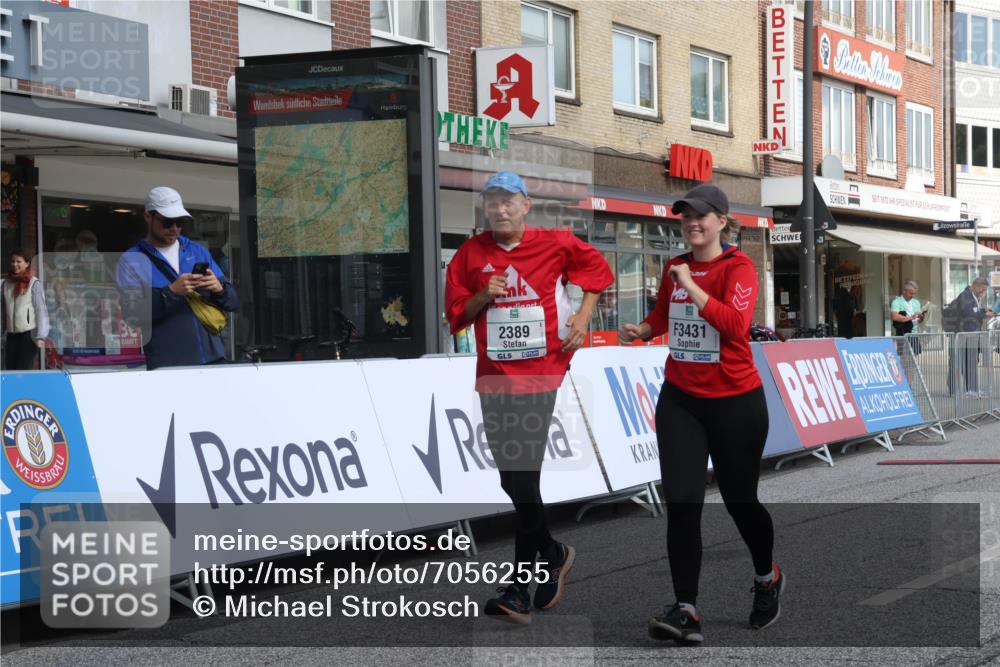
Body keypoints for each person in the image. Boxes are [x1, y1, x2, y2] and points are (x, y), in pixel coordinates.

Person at [445, 171, 612, 624]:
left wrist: (583, 316)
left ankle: (519, 587)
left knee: (524, 478)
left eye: (508, 201)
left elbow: (598, 273)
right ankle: (553, 553)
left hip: (542, 372)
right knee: (512, 481)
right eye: (492, 202)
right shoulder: (470, 254)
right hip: (494, 376)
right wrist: (483, 295)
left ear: (525, 205)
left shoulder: (555, 243)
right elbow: (456, 316)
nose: (499, 209)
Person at [619, 184, 781, 643]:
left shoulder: (739, 267)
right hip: (682, 400)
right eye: (686, 216)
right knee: (682, 502)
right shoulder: (675, 265)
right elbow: (664, 315)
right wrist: (643, 330)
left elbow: (735, 326)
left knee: (740, 500)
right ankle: (686, 609)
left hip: (736, 401)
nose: (692, 223)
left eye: (701, 216)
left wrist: (691, 285)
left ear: (721, 221)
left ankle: (767, 576)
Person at [117, 187, 239, 369]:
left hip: (213, 357)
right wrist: (171, 292)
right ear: (148, 217)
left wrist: (220, 290)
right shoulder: (131, 260)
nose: (174, 228)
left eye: (179, 222)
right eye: (167, 222)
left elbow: (233, 303)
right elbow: (132, 315)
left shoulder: (197, 251)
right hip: (169, 362)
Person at [946, 277, 995, 398]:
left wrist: (983, 310)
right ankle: (953, 390)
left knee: (971, 362)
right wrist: (984, 314)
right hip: (961, 334)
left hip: (971, 335)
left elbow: (974, 311)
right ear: (976, 286)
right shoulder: (965, 296)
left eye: (984, 290)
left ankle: (972, 389)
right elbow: (968, 313)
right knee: (957, 362)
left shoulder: (974, 296)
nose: (983, 292)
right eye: (982, 289)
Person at [1, 249, 50, 370]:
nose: (15, 264)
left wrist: (41, 336)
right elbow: (2, 312)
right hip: (12, 334)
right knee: (10, 368)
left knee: (23, 369)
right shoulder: (6, 284)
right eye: (13, 261)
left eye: (19, 261)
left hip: (29, 335)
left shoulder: (34, 283)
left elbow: (41, 310)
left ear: (27, 263)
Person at [890, 279, 925, 354]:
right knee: (900, 355)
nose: (913, 296)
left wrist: (921, 318)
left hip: (914, 334)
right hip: (901, 334)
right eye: (911, 293)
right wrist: (910, 318)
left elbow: (917, 321)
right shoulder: (896, 302)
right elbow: (895, 317)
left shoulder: (916, 302)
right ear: (904, 291)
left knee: (915, 356)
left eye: (914, 294)